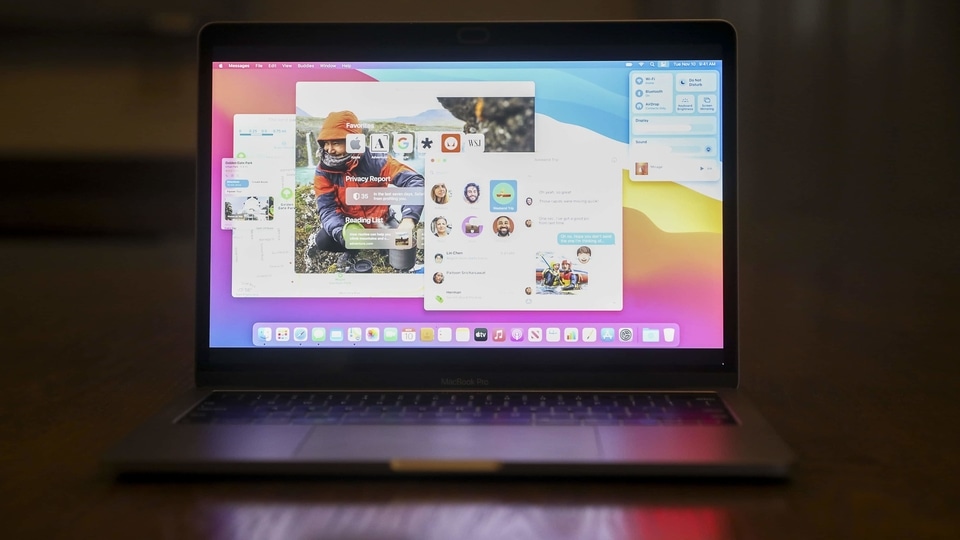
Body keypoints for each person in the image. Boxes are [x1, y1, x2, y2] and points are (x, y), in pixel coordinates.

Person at [304, 110, 424, 269]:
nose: (329, 149)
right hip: (350, 226)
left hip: (382, 224)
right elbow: (327, 209)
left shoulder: (377, 159)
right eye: (325, 143)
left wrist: (409, 219)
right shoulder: (323, 171)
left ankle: (384, 247)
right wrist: (343, 232)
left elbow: (415, 181)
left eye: (336, 143)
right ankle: (352, 250)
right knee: (323, 240)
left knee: (402, 246)